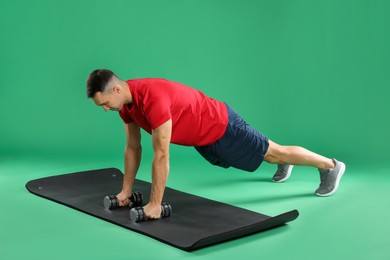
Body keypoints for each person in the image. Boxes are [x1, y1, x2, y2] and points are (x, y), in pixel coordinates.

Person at [86, 69, 346, 219]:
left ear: (116, 90)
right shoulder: (126, 108)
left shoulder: (152, 100)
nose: (106, 109)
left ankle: (330, 166)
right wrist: (125, 192)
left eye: (105, 103)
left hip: (221, 126)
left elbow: (162, 154)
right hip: (204, 137)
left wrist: (155, 204)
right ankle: (284, 163)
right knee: (267, 154)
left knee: (273, 153)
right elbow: (133, 148)